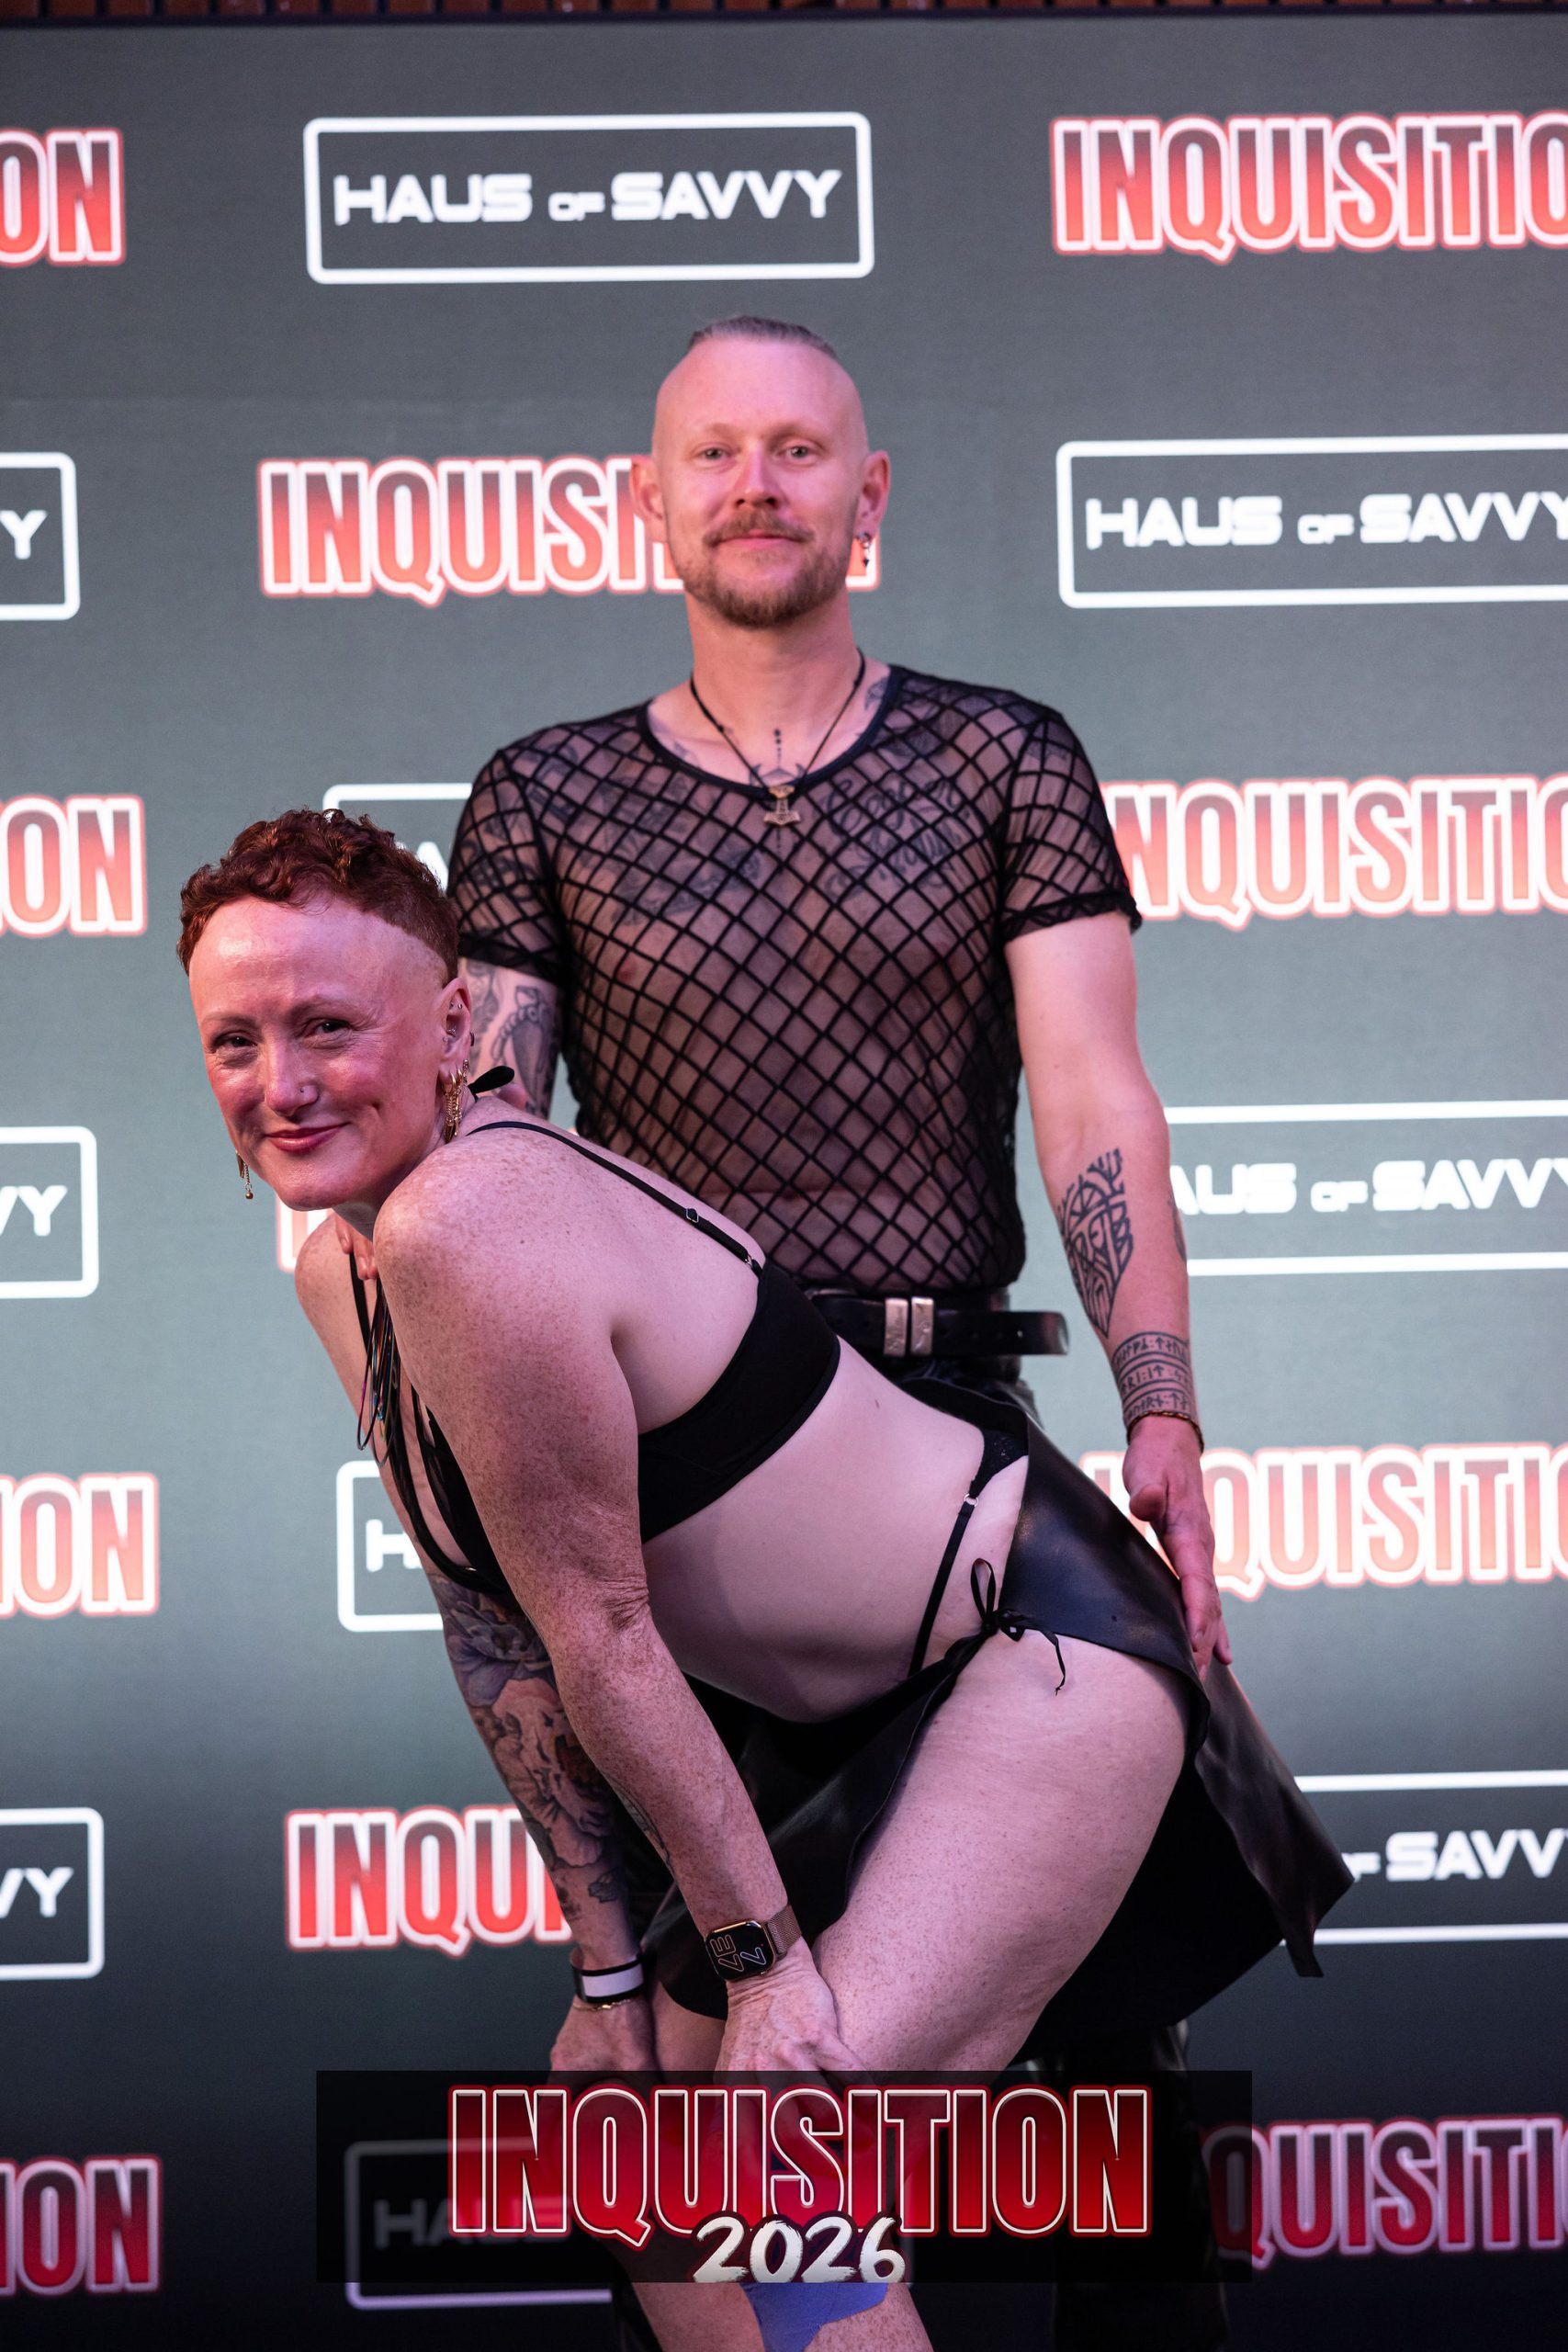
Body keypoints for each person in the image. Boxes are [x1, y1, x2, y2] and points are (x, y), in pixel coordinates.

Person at [182, 809, 1349, 2352]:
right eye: (235, 1039)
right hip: (833, 1735)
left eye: (328, 1026)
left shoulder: (473, 1218)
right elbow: (500, 1639)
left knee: (779, 2173)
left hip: (1033, 1658)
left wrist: (767, 1970)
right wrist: (610, 1976)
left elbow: (605, 1636)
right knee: (646, 2174)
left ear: (456, 1024)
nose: (281, 1082)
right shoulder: (344, 1263)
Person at [443, 319, 1226, 2347]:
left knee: (1100, 2069)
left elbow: (1094, 1098)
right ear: (647, 500)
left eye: (798, 449)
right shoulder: (542, 796)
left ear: (867, 496)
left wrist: (1160, 1405)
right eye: (712, 452)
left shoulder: (1000, 757)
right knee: (699, 2097)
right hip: (696, 1485)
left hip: (950, 1443)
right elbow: (490, 1164)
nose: (755, 485)